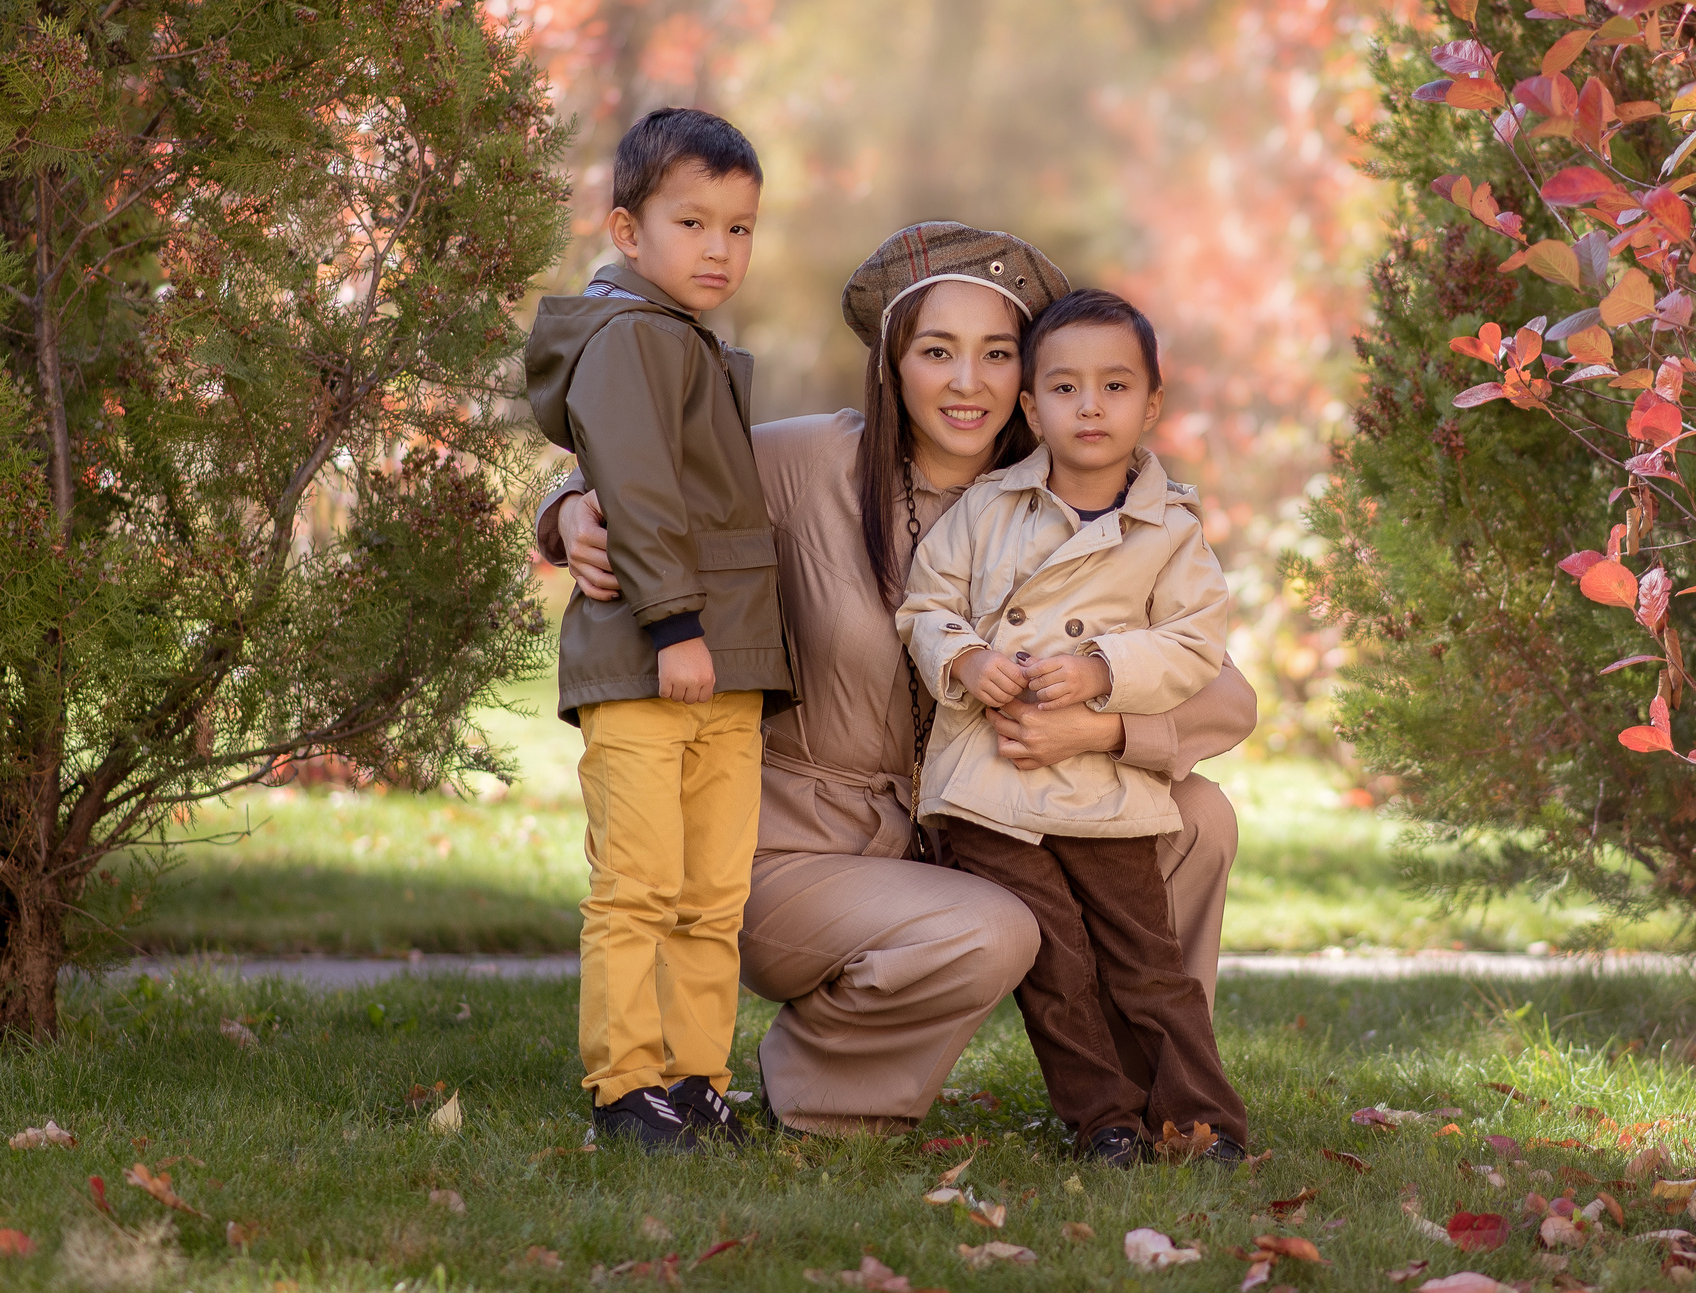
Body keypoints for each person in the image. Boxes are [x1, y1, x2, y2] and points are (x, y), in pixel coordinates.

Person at [537, 223, 1256, 1137]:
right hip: (807, 850)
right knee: (992, 925)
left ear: (1030, 387)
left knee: (1198, 818)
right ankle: (825, 1083)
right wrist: (565, 511)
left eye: (998, 354)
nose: (967, 383)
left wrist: (1102, 731)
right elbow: (640, 455)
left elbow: (1226, 696)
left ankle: (1153, 1097)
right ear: (892, 363)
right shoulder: (804, 465)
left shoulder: (1076, 497)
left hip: (1001, 813)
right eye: (936, 351)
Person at [902, 289, 1248, 1166]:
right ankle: (1106, 1120)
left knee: (1148, 960)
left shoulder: (1169, 532)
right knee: (1056, 958)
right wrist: (971, 659)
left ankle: (1204, 1120)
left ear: (1151, 403)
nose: (1090, 406)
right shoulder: (988, 508)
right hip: (990, 781)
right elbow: (926, 603)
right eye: (1065, 387)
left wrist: (1104, 672)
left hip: (1104, 786)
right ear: (1031, 406)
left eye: (1115, 386)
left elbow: (1195, 640)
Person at [523, 107, 793, 1154]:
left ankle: (695, 1077)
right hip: (653, 661)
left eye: (740, 227)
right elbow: (633, 485)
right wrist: (675, 624)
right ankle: (626, 1085)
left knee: (712, 892)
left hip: (719, 667)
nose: (720, 248)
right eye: (694, 223)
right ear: (629, 231)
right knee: (639, 884)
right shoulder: (630, 336)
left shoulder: (678, 336)